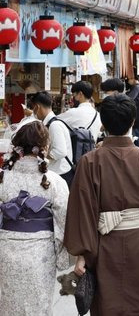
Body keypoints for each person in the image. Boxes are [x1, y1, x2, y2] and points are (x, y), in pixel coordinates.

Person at [64, 94, 139, 316]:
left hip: (103, 244)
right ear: (133, 122)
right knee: (138, 303)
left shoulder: (90, 162)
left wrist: (82, 253)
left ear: (103, 123)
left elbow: (81, 210)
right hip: (138, 241)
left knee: (106, 304)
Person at [0, 121, 71, 315]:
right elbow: (65, 220)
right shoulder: (54, 181)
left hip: (6, 250)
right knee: (38, 305)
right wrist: (65, 254)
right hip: (40, 253)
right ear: (45, 147)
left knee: (8, 304)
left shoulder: (3, 177)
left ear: (17, 146)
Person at [31, 91, 74, 187]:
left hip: (61, 174)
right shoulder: (52, 123)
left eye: (33, 108)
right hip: (59, 172)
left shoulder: (54, 125)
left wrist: (42, 155)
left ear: (37, 107)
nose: (33, 112)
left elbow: (60, 152)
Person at [126, 73, 139, 148]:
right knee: (138, 135)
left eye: (129, 79)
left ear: (134, 79)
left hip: (136, 115)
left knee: (136, 136)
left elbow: (130, 98)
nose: (128, 81)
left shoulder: (136, 87)